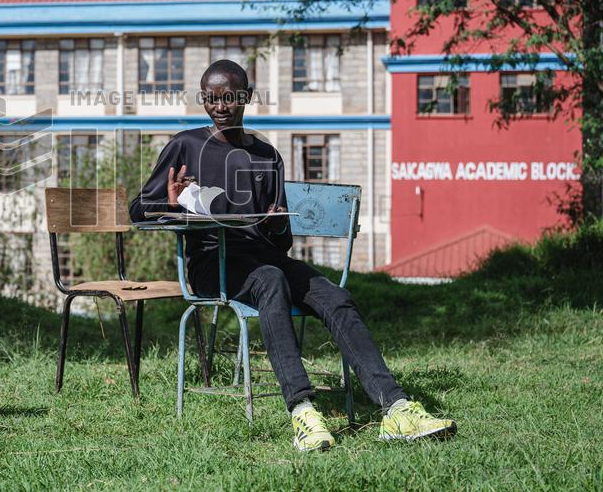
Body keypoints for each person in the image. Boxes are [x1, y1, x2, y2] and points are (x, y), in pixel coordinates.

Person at [129, 60, 456, 452]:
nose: (220, 107)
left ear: (246, 97)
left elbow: (280, 243)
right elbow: (137, 210)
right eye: (212, 99)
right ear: (203, 99)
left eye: (229, 97)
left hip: (265, 259)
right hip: (212, 264)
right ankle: (303, 411)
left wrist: (275, 224)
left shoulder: (267, 154)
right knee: (271, 280)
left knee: (334, 295)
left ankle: (397, 408)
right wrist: (171, 205)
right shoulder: (185, 146)